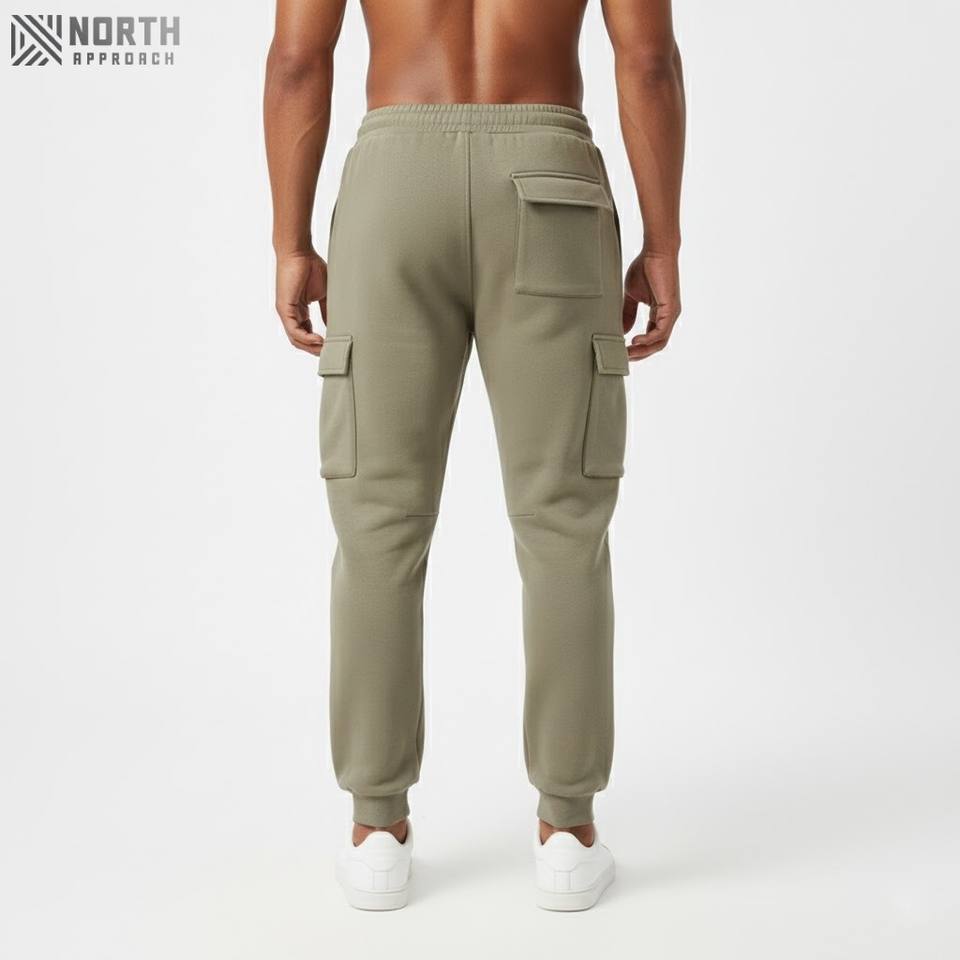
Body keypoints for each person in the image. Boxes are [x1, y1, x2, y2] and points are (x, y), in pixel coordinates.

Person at [264, 0, 684, 911]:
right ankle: (567, 832)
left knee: (377, 520)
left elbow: (298, 60)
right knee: (563, 522)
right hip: (549, 179)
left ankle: (377, 830)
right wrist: (664, 240)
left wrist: (290, 240)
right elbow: (647, 60)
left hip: (392, 193)